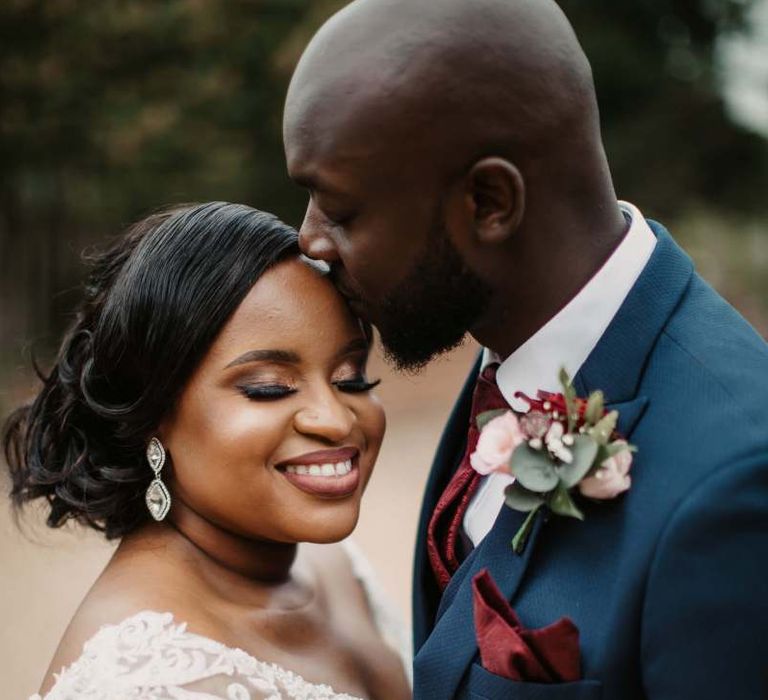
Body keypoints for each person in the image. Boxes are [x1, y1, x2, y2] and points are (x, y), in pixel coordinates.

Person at [283, 0, 768, 698]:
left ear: (488, 202)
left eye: (341, 209)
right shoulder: (505, 353)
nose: (310, 242)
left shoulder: (733, 487)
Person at [4, 202, 412, 700]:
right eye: (269, 387)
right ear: (151, 412)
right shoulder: (142, 683)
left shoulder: (332, 567)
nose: (336, 418)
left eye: (351, 377)